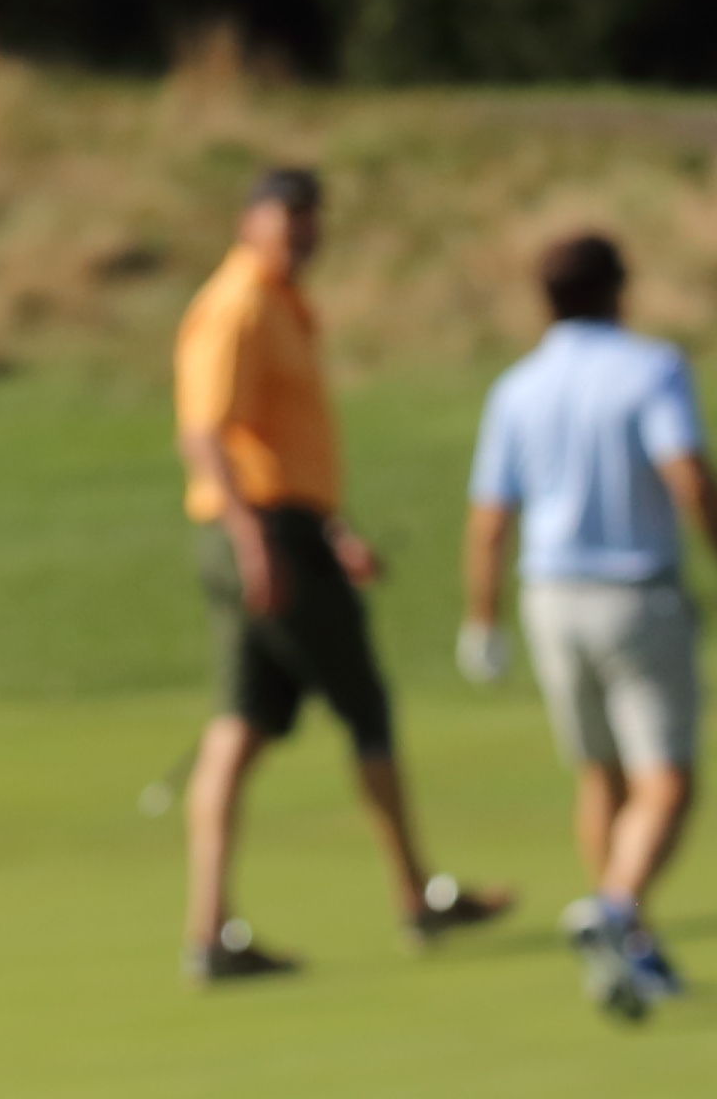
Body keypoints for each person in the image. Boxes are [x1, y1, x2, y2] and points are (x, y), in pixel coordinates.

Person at [172, 166, 511, 984]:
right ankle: (414, 893)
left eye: (311, 220)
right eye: (287, 218)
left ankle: (210, 929)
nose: (302, 234)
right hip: (260, 532)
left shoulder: (283, 304)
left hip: (288, 526)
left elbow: (283, 443)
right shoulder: (241, 305)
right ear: (249, 220)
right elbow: (206, 433)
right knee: (364, 706)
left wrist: (333, 528)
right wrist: (260, 543)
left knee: (243, 727)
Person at [456, 232, 717, 1019]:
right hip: (636, 596)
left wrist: (481, 621)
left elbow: (490, 520)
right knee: (667, 781)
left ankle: (626, 948)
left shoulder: (516, 387)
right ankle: (619, 909)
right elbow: (688, 476)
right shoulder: (651, 368)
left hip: (548, 599)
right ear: (616, 290)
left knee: (603, 775)